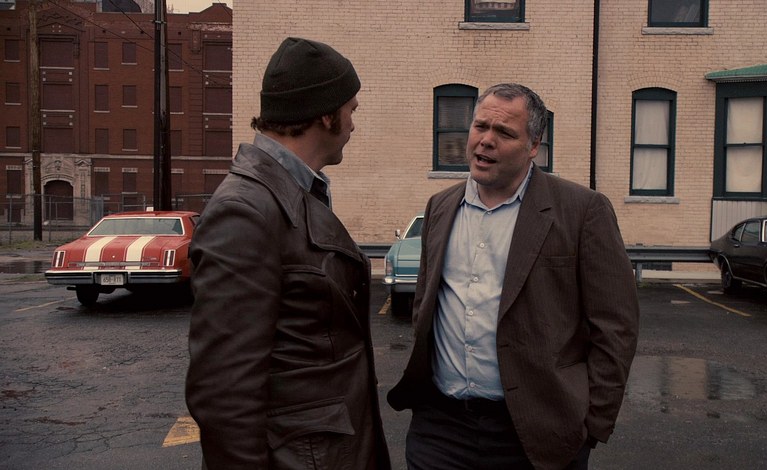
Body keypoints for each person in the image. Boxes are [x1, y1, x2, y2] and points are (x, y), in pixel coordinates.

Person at [387, 83, 640, 470]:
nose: (486, 140)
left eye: (504, 132)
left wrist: (591, 425)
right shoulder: (441, 206)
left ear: (534, 145)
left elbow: (616, 325)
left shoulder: (582, 211)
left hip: (536, 434)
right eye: (480, 126)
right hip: (441, 429)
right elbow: (426, 300)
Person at [186, 37, 390, 469]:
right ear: (326, 115)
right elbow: (225, 392)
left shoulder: (295, 190)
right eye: (351, 111)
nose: (353, 125)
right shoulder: (244, 211)